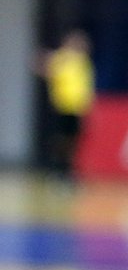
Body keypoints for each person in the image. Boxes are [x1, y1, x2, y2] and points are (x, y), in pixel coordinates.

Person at [33, 30, 94, 180]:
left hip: (78, 108)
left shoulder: (82, 61)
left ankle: (67, 169)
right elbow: (46, 68)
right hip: (63, 107)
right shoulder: (62, 58)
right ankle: (57, 168)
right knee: (62, 139)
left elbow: (85, 85)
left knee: (74, 140)